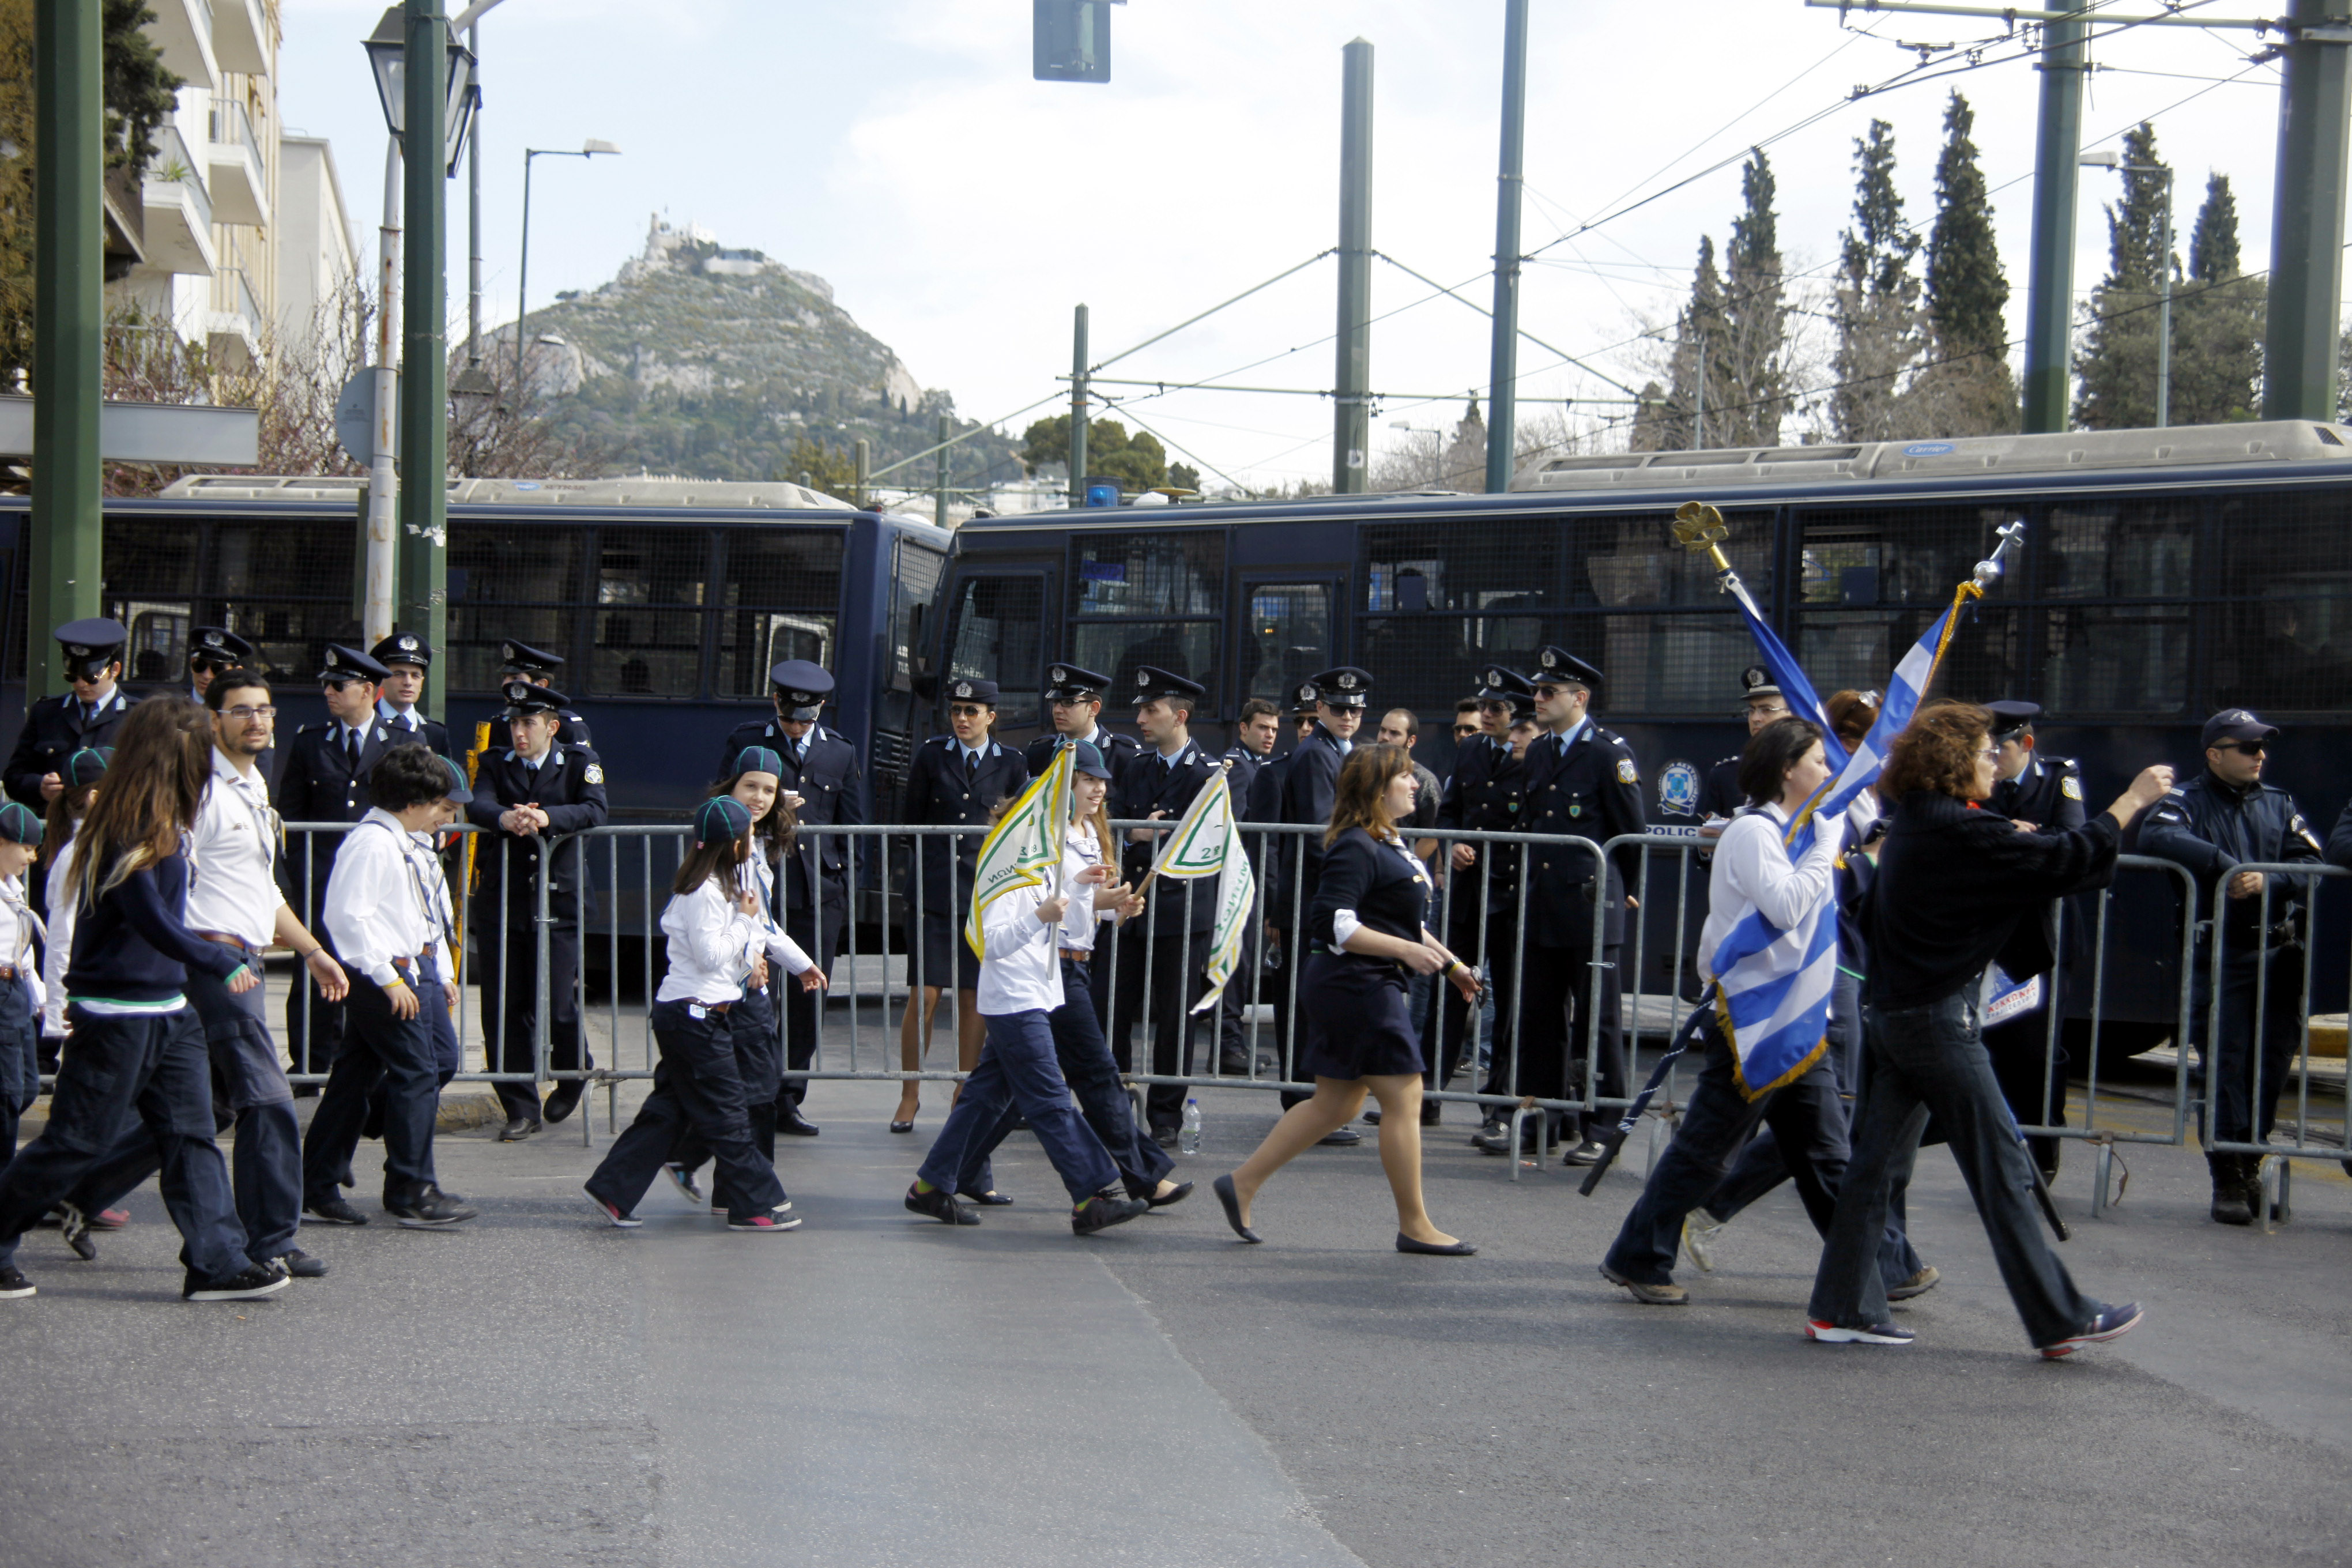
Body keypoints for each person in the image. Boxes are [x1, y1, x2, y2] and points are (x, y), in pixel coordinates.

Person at [1807, 702, 2169, 1354]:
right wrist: (2130, 801)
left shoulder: (1918, 821)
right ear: (1953, 765)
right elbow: (2070, 857)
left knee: (1873, 1172)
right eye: (1983, 754)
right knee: (2003, 1168)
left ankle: (1839, 1308)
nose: (1994, 763)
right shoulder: (1963, 830)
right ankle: (2059, 1314)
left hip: (1895, 1016)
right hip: (1938, 1023)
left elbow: (2035, 855)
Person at [1600, 718, 1929, 1306]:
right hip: (1752, 1021)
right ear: (1787, 768)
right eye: (1819, 763)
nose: (1828, 772)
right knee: (1706, 1149)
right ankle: (1638, 1255)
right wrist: (1831, 843)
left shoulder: (1798, 831)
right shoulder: (1754, 832)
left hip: (1798, 1018)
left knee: (1829, 1153)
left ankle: (1887, 1262)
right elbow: (1784, 906)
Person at [61, 669, 350, 1276]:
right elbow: (165, 891)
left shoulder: (251, 787)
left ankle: (79, 1192)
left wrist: (311, 949)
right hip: (213, 961)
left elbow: (260, 888)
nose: (258, 720)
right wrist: (201, 957)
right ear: (212, 720)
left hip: (239, 956)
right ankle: (271, 1236)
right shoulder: (201, 793)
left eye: (266, 710)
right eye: (242, 710)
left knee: (206, 1106)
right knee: (267, 1096)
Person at [0, 699, 285, 1303]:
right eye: (200, 748)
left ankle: (217, 1260)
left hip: (168, 1007)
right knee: (77, 1142)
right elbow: (150, 919)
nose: (210, 758)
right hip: (115, 1013)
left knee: (192, 1133)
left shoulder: (166, 818)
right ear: (174, 753)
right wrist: (216, 957)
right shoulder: (125, 825)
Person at [1212, 744, 1481, 1253]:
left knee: (1336, 1103)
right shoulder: (1356, 845)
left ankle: (1241, 1182)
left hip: (1362, 981)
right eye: (1404, 778)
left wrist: (1450, 965)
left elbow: (1406, 924)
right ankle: (1415, 1225)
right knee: (1404, 1095)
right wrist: (1406, 951)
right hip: (1356, 984)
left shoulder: (1388, 842)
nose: (1414, 786)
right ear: (1379, 789)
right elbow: (1335, 923)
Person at [945, 741, 1190, 1209]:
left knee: (1002, 1089)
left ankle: (955, 1172)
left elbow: (1076, 907)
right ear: (1062, 785)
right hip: (1046, 966)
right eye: (1087, 780)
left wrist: (1114, 905)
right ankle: (1144, 1175)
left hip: (1076, 961)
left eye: (1101, 781)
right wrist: (1088, 902)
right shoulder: (1042, 836)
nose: (1098, 789)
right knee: (1095, 1073)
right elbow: (1039, 905)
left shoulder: (1091, 834)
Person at [902, 785, 1154, 1238]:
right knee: (1050, 1098)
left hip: (1040, 991)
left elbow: (1067, 915)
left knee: (985, 1097)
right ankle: (1090, 1196)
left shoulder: (1037, 865)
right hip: (1014, 997)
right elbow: (990, 942)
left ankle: (929, 1186)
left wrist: (1086, 890)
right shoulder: (1002, 869)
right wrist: (1040, 916)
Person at [2139, 708, 2325, 1225]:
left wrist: (2269, 879)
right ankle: (2227, 1175)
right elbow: (2155, 837)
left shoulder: (2278, 803)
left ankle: (2252, 1161)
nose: (2259, 755)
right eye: (2248, 748)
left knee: (2270, 1065)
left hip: (2278, 954)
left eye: (2262, 747)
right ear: (2215, 754)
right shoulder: (2185, 801)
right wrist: (2228, 867)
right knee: (2226, 1065)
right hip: (2221, 953)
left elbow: (2312, 863)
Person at [585, 796, 799, 1232]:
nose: (753, 840)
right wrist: (744, 922)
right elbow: (709, 955)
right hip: (693, 1016)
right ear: (734, 844)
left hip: (699, 1013)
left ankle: (614, 1187)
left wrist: (754, 954)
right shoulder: (703, 893)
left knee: (671, 1107)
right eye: (748, 835)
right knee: (728, 1111)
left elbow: (736, 949)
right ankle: (755, 1204)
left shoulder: (725, 884)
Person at [300, 744, 476, 1230]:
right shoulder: (374, 843)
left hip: (408, 968)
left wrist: (438, 971)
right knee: (418, 1072)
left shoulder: (406, 840)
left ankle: (317, 1179)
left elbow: (425, 914)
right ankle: (410, 1187)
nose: (449, 814)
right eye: (441, 803)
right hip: (383, 971)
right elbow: (345, 917)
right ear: (414, 800)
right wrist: (388, 977)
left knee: (372, 1073)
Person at [1482, 646, 1643, 1163]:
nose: (1538, 699)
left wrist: (1627, 890)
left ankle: (1604, 1125)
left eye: (1549, 692)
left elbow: (1630, 832)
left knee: (1598, 1020)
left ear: (1580, 697)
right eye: (1537, 690)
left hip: (1590, 906)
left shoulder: (1607, 753)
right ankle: (1542, 1118)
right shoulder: (1542, 750)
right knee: (1539, 1019)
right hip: (1543, 905)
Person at [664, 748, 830, 1213]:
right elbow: (732, 923)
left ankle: (720, 1180)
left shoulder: (756, 844)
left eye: (769, 790)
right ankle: (742, 1192)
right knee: (752, 1087)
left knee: (752, 1087)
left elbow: (764, 921)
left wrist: (799, 964)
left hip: (742, 982)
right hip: (726, 990)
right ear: (730, 789)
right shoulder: (727, 843)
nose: (758, 798)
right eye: (749, 787)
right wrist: (748, 958)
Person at [716, 659, 860, 1139]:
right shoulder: (747, 742)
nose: (796, 726)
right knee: (757, 992)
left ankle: (788, 1096)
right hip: (759, 886)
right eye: (789, 717)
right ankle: (752, 1091)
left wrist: (850, 884)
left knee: (807, 998)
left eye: (805, 720)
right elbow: (722, 807)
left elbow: (852, 825)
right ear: (777, 704)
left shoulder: (839, 751)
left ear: (819, 711)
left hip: (819, 889)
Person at [468, 679, 610, 1140]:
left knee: (557, 1001)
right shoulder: (494, 762)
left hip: (559, 898)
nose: (518, 732)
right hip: (504, 900)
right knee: (505, 1006)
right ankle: (519, 1104)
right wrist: (504, 817)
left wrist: (549, 817)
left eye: (528, 723)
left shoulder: (579, 762)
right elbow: (479, 803)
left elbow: (595, 810)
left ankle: (571, 1073)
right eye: (513, 723)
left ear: (552, 726)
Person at [894, 677, 1026, 1132]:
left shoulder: (1011, 762)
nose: (963, 719)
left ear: (992, 716)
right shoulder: (933, 754)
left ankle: (962, 1094)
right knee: (924, 995)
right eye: (957, 711)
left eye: (973, 711)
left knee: (972, 998)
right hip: (933, 890)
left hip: (980, 896)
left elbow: (1014, 828)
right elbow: (912, 820)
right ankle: (910, 1093)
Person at [273, 644, 397, 1081]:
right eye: (326, 683)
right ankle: (310, 1064)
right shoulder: (311, 742)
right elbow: (291, 813)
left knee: (371, 968)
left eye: (338, 685)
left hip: (375, 886)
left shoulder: (399, 742)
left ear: (368, 690)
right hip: (321, 881)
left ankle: (368, 1062)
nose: (328, 691)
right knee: (314, 970)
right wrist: (299, 874)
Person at [1109, 666, 1218, 1144]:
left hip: (1181, 911)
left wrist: (1149, 836)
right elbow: (1117, 825)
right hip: (1133, 906)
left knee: (1176, 1017)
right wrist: (1137, 834)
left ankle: (1166, 1117)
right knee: (1114, 1008)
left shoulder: (1211, 774)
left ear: (1180, 716)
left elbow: (1202, 844)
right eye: (1140, 709)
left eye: (1150, 710)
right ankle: (1114, 1102)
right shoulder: (1136, 766)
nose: (1140, 719)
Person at [1980, 699, 2085, 1180]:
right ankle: (2003, 1150)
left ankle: (2044, 1144)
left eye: (1998, 749)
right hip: (1989, 935)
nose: (1990, 758)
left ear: (2025, 745)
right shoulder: (1978, 780)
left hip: (2043, 936)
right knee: (1993, 1045)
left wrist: (2014, 840)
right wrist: (2006, 831)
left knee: (2038, 1051)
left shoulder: (2059, 779)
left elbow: (2070, 839)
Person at [1270, 666, 1376, 1139]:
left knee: (1320, 1001)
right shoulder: (1317, 754)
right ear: (1320, 710)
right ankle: (1305, 1104)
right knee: (1308, 1002)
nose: (1348, 716)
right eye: (1338, 708)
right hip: (1316, 896)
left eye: (1355, 709)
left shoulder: (1345, 752)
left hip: (1327, 895)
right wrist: (1359, 868)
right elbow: (1320, 832)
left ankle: (1313, 1104)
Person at [1441, 669, 1533, 1142]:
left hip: (1511, 894)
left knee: (1509, 1004)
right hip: (1469, 891)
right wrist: (1453, 843)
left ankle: (1498, 1105)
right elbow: (1450, 809)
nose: (1488, 715)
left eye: (1498, 709)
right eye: (1486, 707)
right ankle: (1426, 1097)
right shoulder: (1472, 749)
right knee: (1448, 991)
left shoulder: (1533, 755)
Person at [1216, 698, 1283, 1077]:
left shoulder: (1257, 764)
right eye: (1262, 728)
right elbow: (1241, 828)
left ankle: (1231, 1043)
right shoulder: (1238, 767)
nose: (1269, 735)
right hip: (1241, 880)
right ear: (1243, 728)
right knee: (1237, 966)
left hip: (1250, 879)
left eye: (1274, 729)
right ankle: (1227, 1046)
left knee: (1242, 964)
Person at [5, 619, 136, 813]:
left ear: (115, 670)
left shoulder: (137, 717)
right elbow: (14, 777)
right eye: (73, 677)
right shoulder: (46, 713)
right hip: (57, 829)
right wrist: (39, 787)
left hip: (111, 827)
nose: (81, 684)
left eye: (92, 677)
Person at [35, 746, 107, 1075]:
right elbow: (62, 939)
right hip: (90, 1005)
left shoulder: (103, 848)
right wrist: (59, 1013)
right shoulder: (77, 856)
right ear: (96, 797)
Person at [1695, 666, 1793, 835]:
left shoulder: (1813, 771)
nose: (1756, 718)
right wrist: (1707, 846)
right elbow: (1701, 853)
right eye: (1752, 710)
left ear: (1792, 713)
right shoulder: (1725, 775)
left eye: (1767, 710)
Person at [0, 804, 43, 1187]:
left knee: (28, 1085)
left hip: (18, 991)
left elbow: (23, 949)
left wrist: (40, 996)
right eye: (26, 847)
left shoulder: (13, 892)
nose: (32, 857)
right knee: (8, 1092)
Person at [1023, 664, 1142, 780]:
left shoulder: (1122, 754)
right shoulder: (1039, 753)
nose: (1057, 710)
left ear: (1093, 709)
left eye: (1068, 703)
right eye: (1054, 702)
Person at [370, 631, 452, 755]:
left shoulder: (434, 732)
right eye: (399, 674)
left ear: (422, 682)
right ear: (381, 679)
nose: (408, 682)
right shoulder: (365, 723)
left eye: (415, 676)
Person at [499, 639, 592, 748]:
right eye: (504, 677)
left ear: (541, 684)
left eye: (516, 678)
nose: (505, 684)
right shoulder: (500, 723)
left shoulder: (569, 727)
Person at [183, 627, 255, 706]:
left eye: (218, 669)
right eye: (200, 665)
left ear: (236, 673)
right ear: (192, 663)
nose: (207, 676)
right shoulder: (175, 712)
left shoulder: (246, 712)